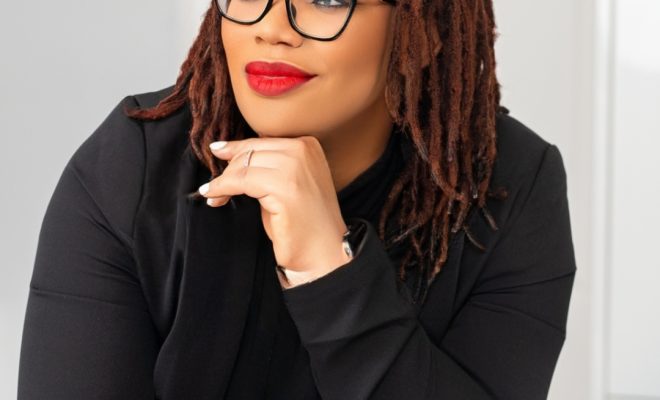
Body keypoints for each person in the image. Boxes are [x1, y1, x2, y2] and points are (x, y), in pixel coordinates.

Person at [17, 0, 577, 398]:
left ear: (424, 28)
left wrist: (328, 271)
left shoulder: (508, 188)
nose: (272, 28)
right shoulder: (133, 167)